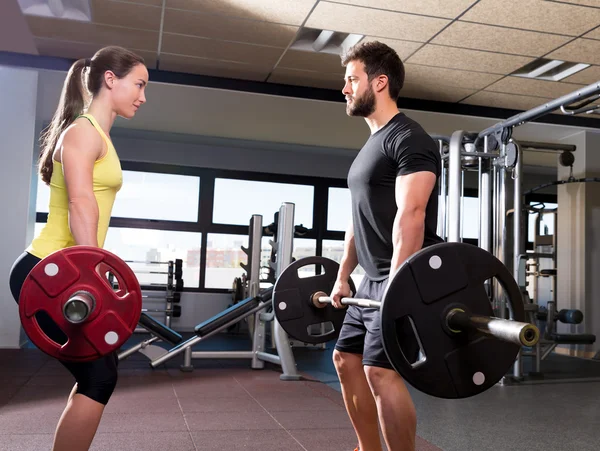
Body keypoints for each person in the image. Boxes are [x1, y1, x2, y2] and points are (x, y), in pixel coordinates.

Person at [9, 45, 148, 451]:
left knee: (99, 375)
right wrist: (94, 274)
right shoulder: (83, 131)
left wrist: (94, 271)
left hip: (66, 270)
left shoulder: (95, 133)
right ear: (110, 79)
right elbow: (81, 202)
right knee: (99, 377)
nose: (142, 96)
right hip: (49, 273)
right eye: (138, 84)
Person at [330, 41, 443, 451]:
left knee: (381, 372)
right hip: (371, 282)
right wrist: (344, 276)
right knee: (345, 361)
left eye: (351, 79)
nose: (344, 88)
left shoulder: (410, 139)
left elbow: (411, 215)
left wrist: (397, 284)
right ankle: (368, 448)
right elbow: (358, 220)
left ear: (379, 83)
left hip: (403, 277)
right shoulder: (370, 147)